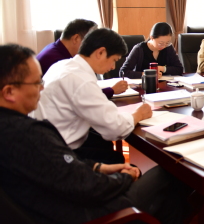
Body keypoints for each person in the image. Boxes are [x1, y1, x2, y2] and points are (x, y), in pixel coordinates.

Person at [0, 43, 204, 224]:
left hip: (65, 219)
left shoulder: (10, 130)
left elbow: (59, 171)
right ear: (9, 92)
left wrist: (101, 168)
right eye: (37, 82)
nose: (42, 88)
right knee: (169, 174)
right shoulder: (26, 136)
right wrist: (125, 178)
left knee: (166, 199)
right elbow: (87, 187)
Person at [33, 28, 153, 164]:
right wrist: (138, 115)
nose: (113, 67)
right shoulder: (81, 80)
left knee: (103, 144)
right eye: (114, 60)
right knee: (121, 163)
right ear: (100, 52)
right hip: (61, 153)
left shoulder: (62, 65)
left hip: (46, 141)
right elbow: (115, 129)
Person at [37, 18, 127, 98]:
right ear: (76, 38)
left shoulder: (55, 50)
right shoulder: (57, 60)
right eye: (89, 40)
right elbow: (85, 96)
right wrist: (111, 90)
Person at [120, 22, 184, 78]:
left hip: (165, 84)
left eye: (167, 43)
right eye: (161, 43)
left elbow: (179, 69)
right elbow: (123, 72)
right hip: (144, 85)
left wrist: (162, 68)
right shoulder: (139, 49)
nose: (164, 46)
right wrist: (146, 74)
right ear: (152, 37)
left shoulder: (169, 48)